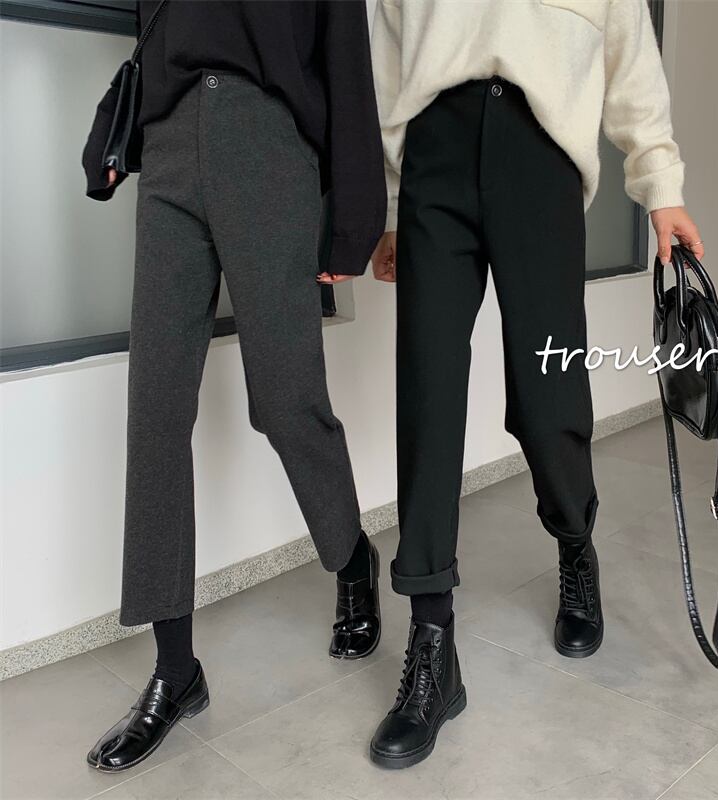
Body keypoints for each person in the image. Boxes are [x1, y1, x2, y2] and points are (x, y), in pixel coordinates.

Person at [367, 0, 705, 768]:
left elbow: (630, 55)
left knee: (549, 398)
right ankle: (432, 641)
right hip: (433, 153)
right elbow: (387, 54)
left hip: (541, 155)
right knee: (428, 395)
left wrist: (661, 185)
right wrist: (389, 202)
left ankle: (575, 541)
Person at [81, 0, 386, 772]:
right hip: (168, 148)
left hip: (267, 143)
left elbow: (346, 56)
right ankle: (175, 669)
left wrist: (354, 215)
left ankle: (352, 557)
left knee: (284, 399)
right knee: (154, 409)